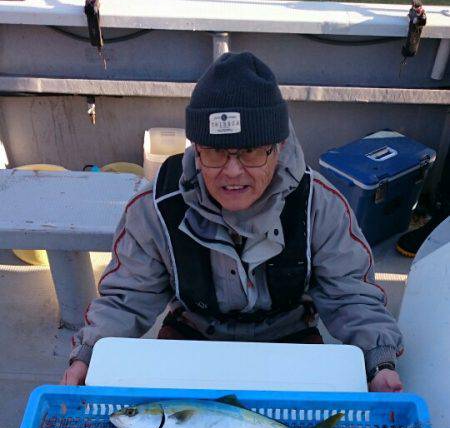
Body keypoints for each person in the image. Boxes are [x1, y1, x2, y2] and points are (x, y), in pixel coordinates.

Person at [62, 51, 403, 392]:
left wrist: (380, 362)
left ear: (279, 147)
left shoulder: (322, 207)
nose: (233, 171)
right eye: (215, 152)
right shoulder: (153, 210)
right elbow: (127, 300)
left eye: (252, 151)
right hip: (193, 333)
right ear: (196, 148)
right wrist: (88, 353)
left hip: (289, 335)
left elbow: (350, 297)